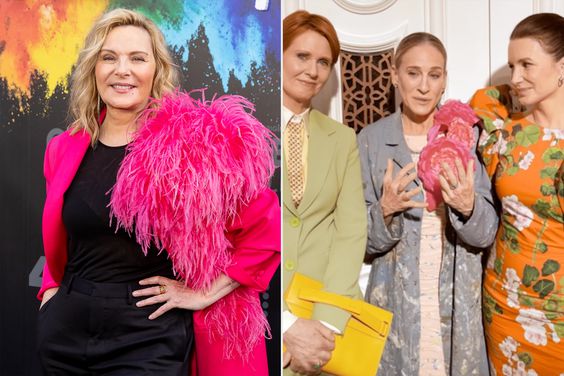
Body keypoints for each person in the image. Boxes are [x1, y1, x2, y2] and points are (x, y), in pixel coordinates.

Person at [36, 8, 280, 375]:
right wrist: (52, 295)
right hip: (66, 335)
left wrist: (204, 293)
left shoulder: (191, 145)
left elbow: (268, 227)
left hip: (148, 338)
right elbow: (64, 238)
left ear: (156, 70)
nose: (123, 70)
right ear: (94, 69)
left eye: (137, 58)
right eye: (109, 57)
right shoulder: (64, 148)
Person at [357, 32, 498, 375]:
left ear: (444, 80)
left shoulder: (466, 136)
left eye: (434, 75)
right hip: (394, 305)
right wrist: (385, 210)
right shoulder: (371, 141)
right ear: (394, 75)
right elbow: (357, 243)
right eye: (413, 73)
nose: (423, 86)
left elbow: (487, 234)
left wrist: (468, 207)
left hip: (457, 305)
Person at [470, 13, 564, 375]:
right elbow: (481, 100)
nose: (516, 77)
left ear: (561, 68)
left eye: (527, 64)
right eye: (512, 65)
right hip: (505, 309)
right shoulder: (504, 135)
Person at [281, 10, 367, 376]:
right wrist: (285, 325)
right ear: (278, 54)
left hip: (326, 324)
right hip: (257, 317)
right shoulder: (242, 126)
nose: (313, 71)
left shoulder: (342, 139)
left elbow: (351, 232)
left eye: (323, 62)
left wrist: (326, 326)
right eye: (302, 56)